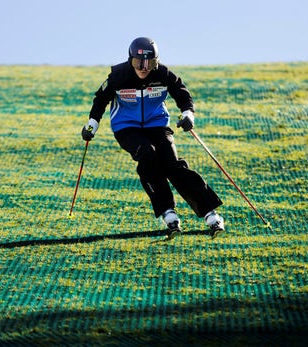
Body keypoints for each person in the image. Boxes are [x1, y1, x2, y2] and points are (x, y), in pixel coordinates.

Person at [81, 37, 225, 237]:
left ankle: (211, 213)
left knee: (172, 164)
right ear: (131, 60)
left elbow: (182, 94)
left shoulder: (163, 74)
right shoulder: (119, 75)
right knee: (148, 156)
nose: (144, 67)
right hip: (127, 128)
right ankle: (168, 212)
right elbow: (101, 99)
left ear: (156, 61)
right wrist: (92, 124)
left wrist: (187, 114)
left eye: (150, 62)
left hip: (157, 125)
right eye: (139, 62)